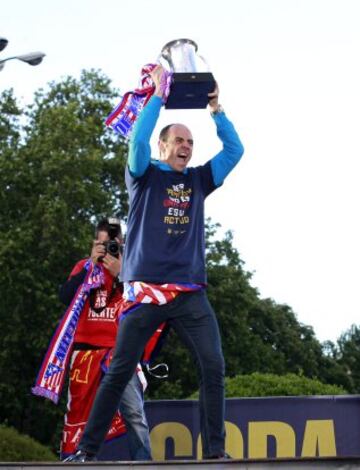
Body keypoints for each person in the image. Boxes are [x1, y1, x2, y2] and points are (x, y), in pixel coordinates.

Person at [65, 64, 244, 462]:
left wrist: (216, 110)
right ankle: (87, 452)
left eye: (190, 142)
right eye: (178, 139)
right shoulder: (143, 175)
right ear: (163, 146)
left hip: (189, 293)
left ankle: (215, 451)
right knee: (116, 373)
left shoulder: (199, 180)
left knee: (213, 366)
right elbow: (136, 141)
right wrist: (159, 98)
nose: (186, 146)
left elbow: (235, 152)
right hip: (145, 292)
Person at [60, 218, 152, 461]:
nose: (107, 249)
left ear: (121, 244)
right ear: (94, 243)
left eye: (112, 244)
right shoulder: (83, 266)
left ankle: (144, 463)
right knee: (77, 412)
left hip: (119, 353)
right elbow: (65, 297)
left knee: (134, 412)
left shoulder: (132, 268)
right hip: (85, 351)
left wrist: (120, 275)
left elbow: (145, 304)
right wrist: (91, 264)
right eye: (101, 244)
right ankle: (73, 459)